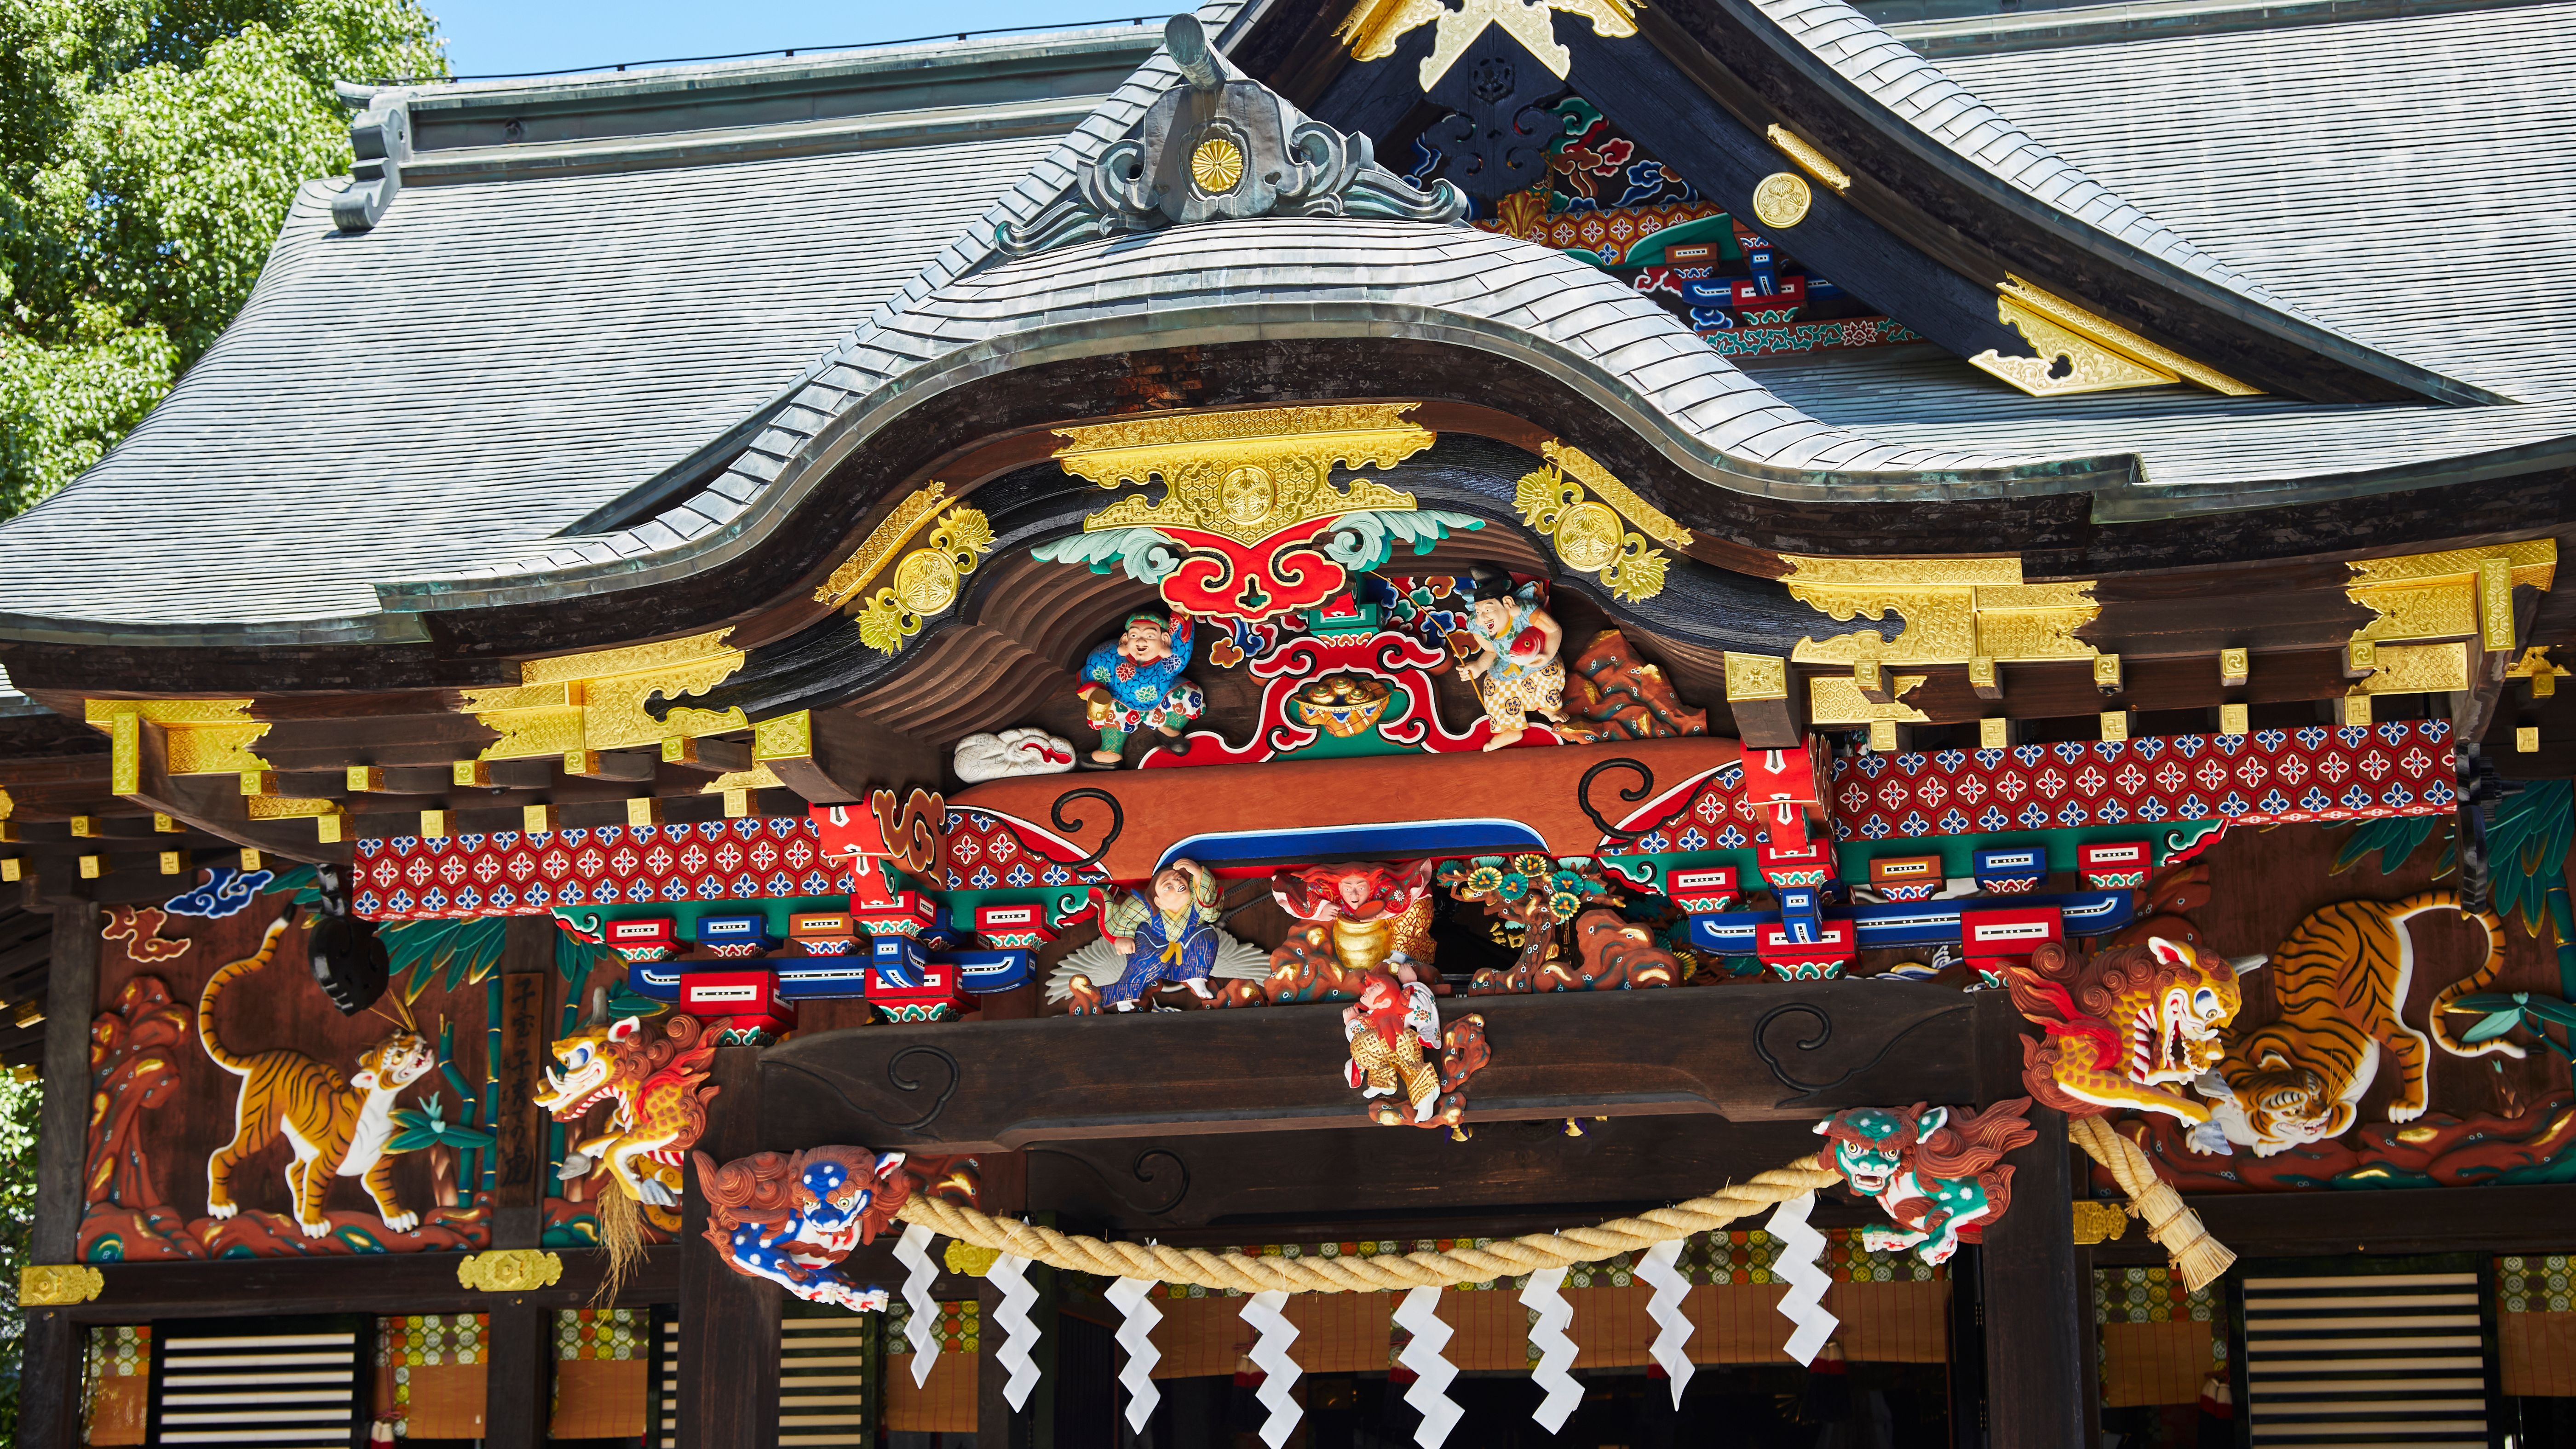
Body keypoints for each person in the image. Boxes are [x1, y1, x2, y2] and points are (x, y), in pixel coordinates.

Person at [1455, 573, 1565, 750]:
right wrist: (1478, 667)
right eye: (1479, 612)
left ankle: (1549, 708)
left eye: (1488, 610)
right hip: (1506, 666)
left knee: (1548, 674)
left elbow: (1553, 630)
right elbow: (1491, 651)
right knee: (1492, 687)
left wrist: (1547, 654)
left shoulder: (1524, 611)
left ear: (1506, 603)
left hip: (1536, 660)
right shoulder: (1479, 626)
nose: (1483, 617)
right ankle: (1509, 728)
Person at [1077, 611, 1202, 765]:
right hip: (1122, 702)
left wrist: (1181, 615)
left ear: (1164, 641)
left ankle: (1169, 729)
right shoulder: (1110, 656)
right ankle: (1110, 753)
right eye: (1134, 635)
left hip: (1161, 703)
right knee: (1111, 711)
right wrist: (1094, 693)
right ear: (1125, 640)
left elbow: (1182, 649)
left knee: (1190, 693)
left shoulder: (1167, 664)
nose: (1141, 641)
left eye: (1150, 636)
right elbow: (1095, 673)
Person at [1099, 859, 1221, 1010]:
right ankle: (1124, 995)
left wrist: (1198, 873)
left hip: (1187, 948)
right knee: (1147, 960)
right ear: (1159, 902)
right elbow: (1127, 916)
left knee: (1207, 935)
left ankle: (1196, 978)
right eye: (1168, 886)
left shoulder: (1196, 897)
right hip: (1155, 945)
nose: (1177, 883)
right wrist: (1124, 937)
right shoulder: (1146, 906)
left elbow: (1211, 914)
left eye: (1178, 878)